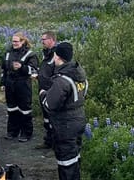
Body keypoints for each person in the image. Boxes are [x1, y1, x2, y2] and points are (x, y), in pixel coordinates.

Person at [44, 42, 87, 180]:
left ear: (58, 57)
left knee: (66, 161)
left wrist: (43, 94)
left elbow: (50, 104)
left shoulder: (62, 80)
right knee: (75, 155)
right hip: (79, 119)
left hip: (65, 125)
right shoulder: (80, 74)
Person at [0, 32, 39, 142]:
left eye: (16, 41)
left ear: (22, 41)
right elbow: (4, 70)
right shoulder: (8, 53)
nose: (14, 43)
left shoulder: (30, 54)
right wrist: (2, 83)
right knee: (11, 109)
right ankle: (12, 131)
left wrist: (22, 67)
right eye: (13, 41)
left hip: (23, 85)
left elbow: (34, 70)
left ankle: (26, 133)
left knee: (25, 109)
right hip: (10, 84)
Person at [35, 31, 58, 149]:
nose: (42, 42)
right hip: (43, 91)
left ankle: (55, 143)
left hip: (51, 91)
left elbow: (57, 74)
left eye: (44, 39)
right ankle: (48, 141)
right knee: (46, 119)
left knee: (53, 118)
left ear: (51, 40)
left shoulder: (56, 55)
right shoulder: (46, 54)